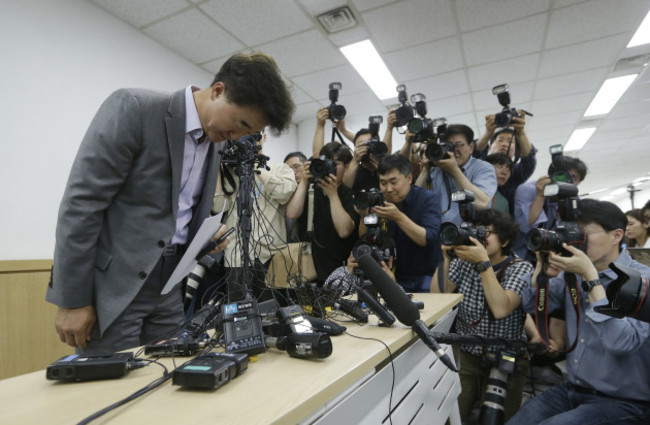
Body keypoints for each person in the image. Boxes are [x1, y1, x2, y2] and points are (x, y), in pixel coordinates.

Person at [46, 52, 294, 355]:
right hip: (115, 287)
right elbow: (81, 205)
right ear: (218, 91)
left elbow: (176, 215)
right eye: (240, 124)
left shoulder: (216, 143)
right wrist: (72, 299)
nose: (237, 137)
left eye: (248, 132)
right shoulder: (135, 109)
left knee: (169, 382)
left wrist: (201, 243)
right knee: (112, 389)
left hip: (170, 288)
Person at [507, 199, 650, 425]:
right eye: (572, 233)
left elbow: (621, 343)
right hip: (572, 388)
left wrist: (591, 279)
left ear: (616, 235)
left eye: (584, 234)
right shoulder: (570, 275)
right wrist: (541, 272)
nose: (575, 241)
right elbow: (532, 304)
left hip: (623, 401)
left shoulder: (642, 281)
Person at [433, 209, 534, 422]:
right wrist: (446, 258)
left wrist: (483, 264)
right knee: (456, 414)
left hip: (506, 353)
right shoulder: (462, 262)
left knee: (498, 418)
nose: (479, 237)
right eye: (476, 231)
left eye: (485, 232)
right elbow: (438, 296)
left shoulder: (521, 267)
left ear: (505, 241)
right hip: (468, 351)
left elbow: (501, 308)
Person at [216, 131, 297, 300]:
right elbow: (218, 207)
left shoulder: (279, 169)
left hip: (271, 254)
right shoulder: (232, 172)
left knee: (273, 314)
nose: (248, 140)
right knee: (240, 316)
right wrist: (218, 169)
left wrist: (255, 165)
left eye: (254, 135)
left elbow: (284, 193)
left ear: (264, 137)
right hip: (236, 256)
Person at [358, 153, 441, 293]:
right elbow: (365, 239)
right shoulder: (379, 200)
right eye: (383, 183)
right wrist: (363, 216)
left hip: (426, 278)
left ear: (409, 178)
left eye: (393, 182)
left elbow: (428, 238)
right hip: (390, 276)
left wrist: (398, 217)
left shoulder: (427, 199)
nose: (388, 189)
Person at [285, 141, 359, 284]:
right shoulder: (311, 190)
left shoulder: (350, 196)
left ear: (346, 166)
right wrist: (305, 182)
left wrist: (332, 195)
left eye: (335, 164)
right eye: (326, 163)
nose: (329, 168)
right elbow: (291, 214)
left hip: (341, 273)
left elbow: (344, 231)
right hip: (310, 272)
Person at [513, 156, 588, 262]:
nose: (566, 180)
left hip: (554, 253)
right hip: (524, 249)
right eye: (563, 174)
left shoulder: (575, 200)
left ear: (578, 183)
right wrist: (540, 196)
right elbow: (526, 227)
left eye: (573, 178)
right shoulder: (528, 189)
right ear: (552, 174)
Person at [426, 124, 497, 225]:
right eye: (449, 146)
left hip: (469, 235)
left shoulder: (484, 168)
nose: (455, 150)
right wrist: (426, 168)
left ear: (471, 147)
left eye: (459, 145)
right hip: (439, 234)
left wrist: (454, 170)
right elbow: (418, 201)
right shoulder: (437, 170)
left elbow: (482, 202)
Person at [476, 123, 537, 216]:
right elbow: (475, 152)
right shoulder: (478, 167)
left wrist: (521, 132)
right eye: (500, 140)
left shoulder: (516, 172)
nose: (504, 144)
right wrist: (488, 133)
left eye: (510, 142)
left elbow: (529, 159)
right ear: (490, 146)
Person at [284, 151, 308, 243]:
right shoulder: (283, 194)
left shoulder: (315, 190)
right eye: (288, 169)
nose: (293, 172)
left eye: (296, 167)